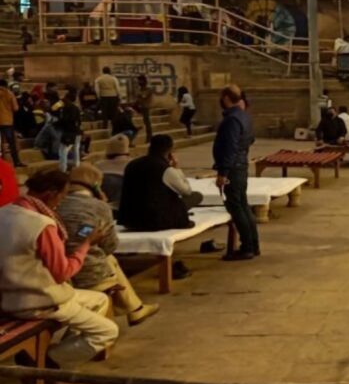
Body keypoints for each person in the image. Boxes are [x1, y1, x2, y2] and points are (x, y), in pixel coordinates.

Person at [0, 168, 119, 369]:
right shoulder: (42, 224)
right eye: (62, 196)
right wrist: (85, 245)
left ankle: (53, 352)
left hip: (8, 298)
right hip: (40, 302)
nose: (61, 202)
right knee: (108, 331)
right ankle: (50, 361)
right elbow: (63, 273)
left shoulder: (4, 212)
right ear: (51, 194)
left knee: (100, 299)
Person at [57, 164, 159, 325]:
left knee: (108, 259)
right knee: (107, 258)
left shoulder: (56, 205)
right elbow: (110, 246)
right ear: (97, 185)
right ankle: (133, 310)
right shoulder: (98, 207)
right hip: (87, 273)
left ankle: (136, 309)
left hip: (59, 267)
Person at [213, 85, 259, 260]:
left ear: (226, 98)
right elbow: (250, 139)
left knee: (236, 207)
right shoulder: (244, 116)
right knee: (243, 205)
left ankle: (247, 247)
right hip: (240, 164)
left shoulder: (232, 119)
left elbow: (230, 147)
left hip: (233, 168)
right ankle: (253, 245)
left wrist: (223, 173)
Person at [119, 135, 201, 233]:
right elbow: (186, 191)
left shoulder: (131, 164)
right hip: (155, 220)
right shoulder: (165, 169)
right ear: (169, 151)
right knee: (196, 196)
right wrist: (176, 169)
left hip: (130, 220)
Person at [57, 88, 82, 172]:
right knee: (76, 150)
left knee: (63, 151)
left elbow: (66, 120)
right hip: (77, 131)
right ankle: (77, 166)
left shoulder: (67, 108)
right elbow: (79, 121)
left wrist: (58, 123)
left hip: (69, 132)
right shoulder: (76, 108)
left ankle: (63, 169)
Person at [0, 79, 24, 166]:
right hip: (7, 121)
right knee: (11, 143)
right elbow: (15, 108)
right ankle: (16, 161)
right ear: (6, 85)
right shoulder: (9, 94)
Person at [134, 74, 154, 143]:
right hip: (141, 106)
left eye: (140, 80)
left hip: (146, 107)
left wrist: (139, 94)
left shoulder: (148, 89)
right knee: (145, 122)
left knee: (147, 122)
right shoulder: (140, 89)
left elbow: (143, 96)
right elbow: (138, 98)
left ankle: (149, 137)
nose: (139, 82)